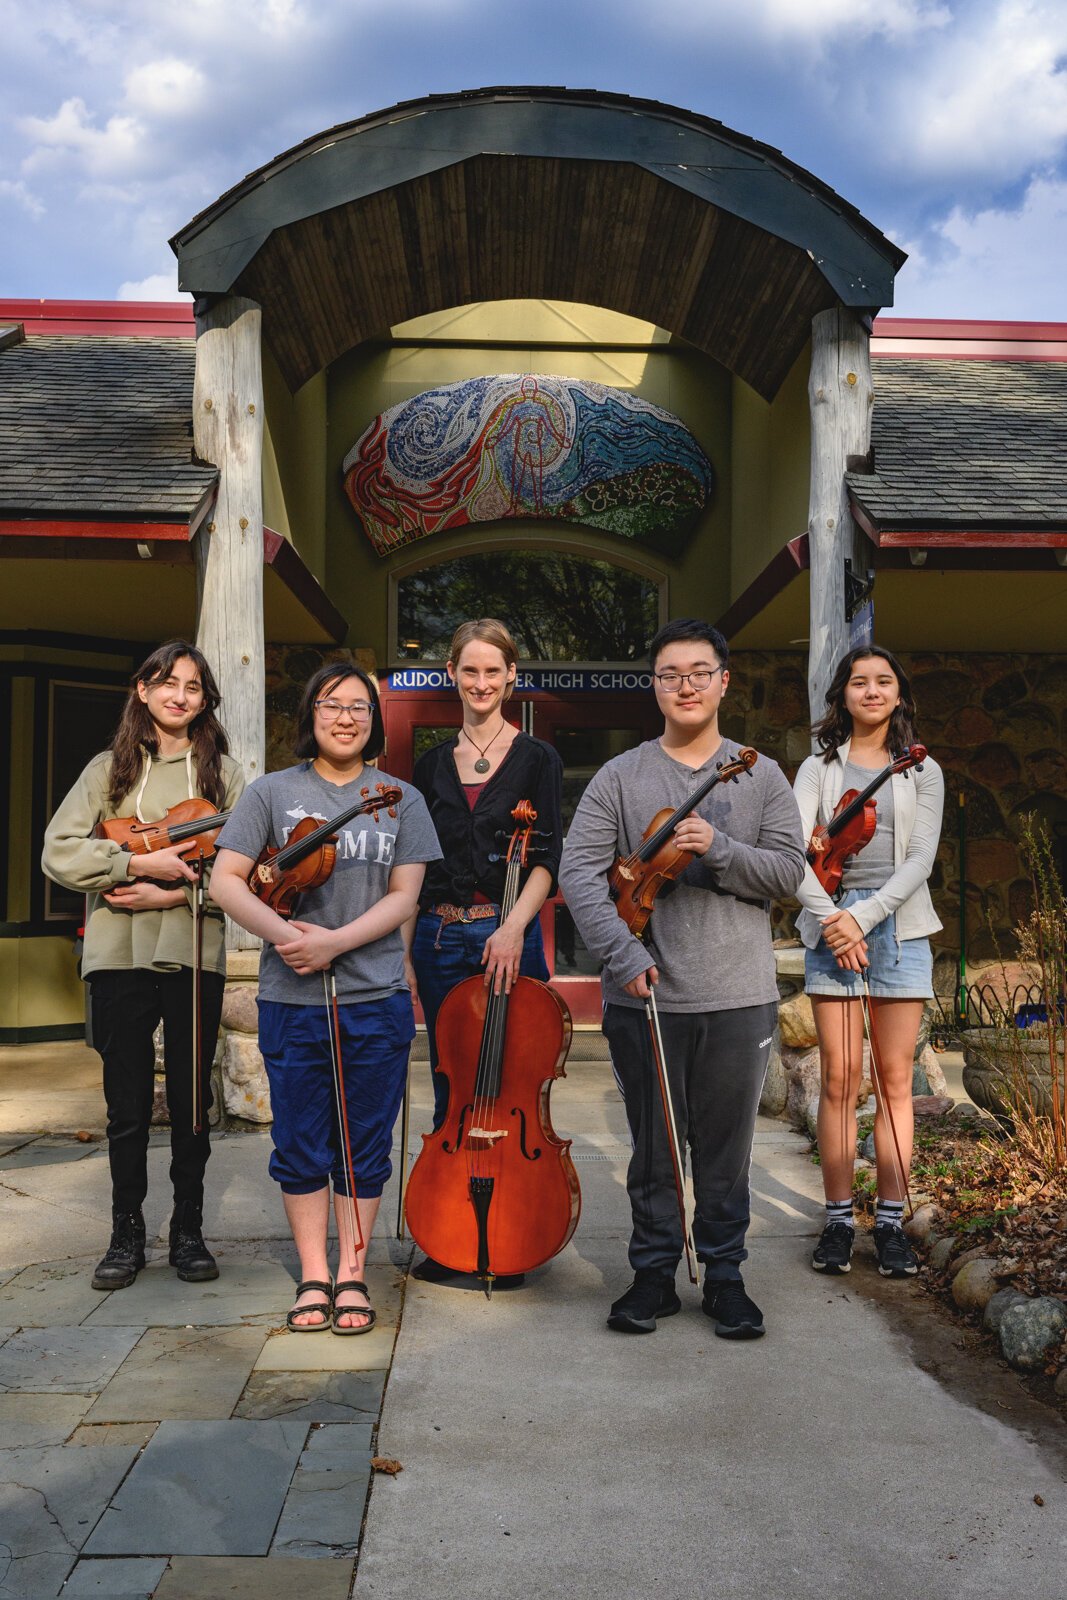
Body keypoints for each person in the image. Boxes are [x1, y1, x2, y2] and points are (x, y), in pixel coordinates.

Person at [559, 619, 806, 1338]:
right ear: (654, 687)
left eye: (700, 671)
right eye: (671, 674)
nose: (686, 685)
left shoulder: (757, 773)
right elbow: (579, 874)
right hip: (644, 994)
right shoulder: (622, 775)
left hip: (736, 994)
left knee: (725, 1152)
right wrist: (624, 955)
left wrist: (721, 848)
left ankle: (724, 1276)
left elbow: (788, 873)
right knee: (653, 1146)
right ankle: (652, 1275)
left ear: (723, 681)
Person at [210, 662, 441, 1333]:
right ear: (311, 714)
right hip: (291, 997)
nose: (345, 717)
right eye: (333, 704)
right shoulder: (271, 792)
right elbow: (227, 881)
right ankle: (314, 1272)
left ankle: (352, 1274)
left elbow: (405, 896)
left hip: (374, 996)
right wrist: (288, 937)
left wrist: (333, 942)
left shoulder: (399, 797)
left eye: (360, 708)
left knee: (364, 1142)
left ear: (374, 723)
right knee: (301, 1140)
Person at [42, 641, 245, 1291]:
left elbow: (247, 874)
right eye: (166, 683)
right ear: (142, 690)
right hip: (116, 957)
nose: (178, 695)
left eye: (192, 686)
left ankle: (187, 1229)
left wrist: (173, 889)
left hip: (191, 951)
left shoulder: (223, 777)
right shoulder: (109, 771)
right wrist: (134, 864)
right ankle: (125, 1230)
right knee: (126, 1106)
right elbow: (59, 852)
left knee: (190, 1104)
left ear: (206, 700)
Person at [406, 617, 563, 1284]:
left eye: (492, 672)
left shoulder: (537, 760)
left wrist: (510, 928)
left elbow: (546, 859)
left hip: (506, 934)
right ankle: (448, 1236)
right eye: (468, 671)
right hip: (438, 934)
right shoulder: (428, 763)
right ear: (451, 674)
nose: (480, 683)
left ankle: (512, 1229)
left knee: (508, 1086)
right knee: (451, 1084)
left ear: (510, 678)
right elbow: (413, 859)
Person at [793, 646, 944, 1280]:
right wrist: (835, 920)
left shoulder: (923, 771)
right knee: (837, 1081)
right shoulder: (816, 768)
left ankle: (888, 1223)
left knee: (895, 1084)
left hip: (899, 928)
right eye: (860, 681)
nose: (872, 690)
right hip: (832, 924)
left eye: (884, 682)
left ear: (900, 695)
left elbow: (920, 861)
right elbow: (792, 852)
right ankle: (835, 1222)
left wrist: (864, 917)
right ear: (843, 694)